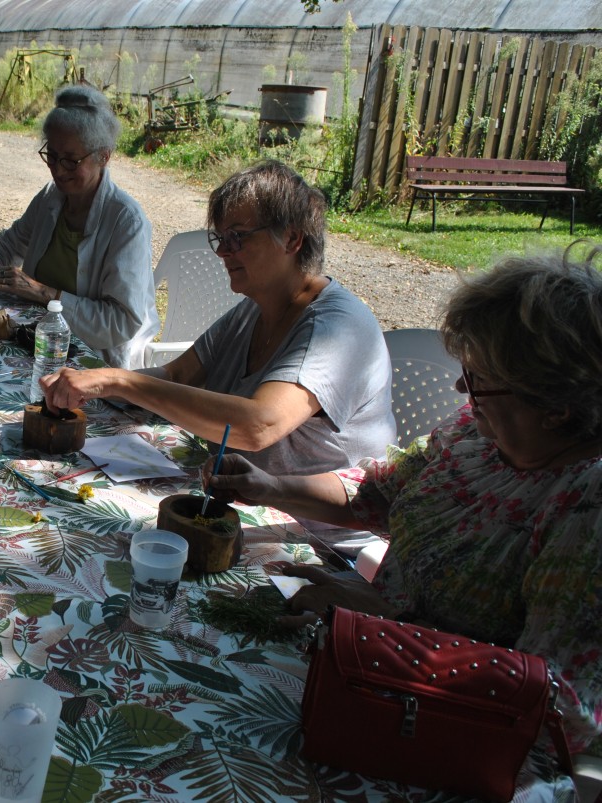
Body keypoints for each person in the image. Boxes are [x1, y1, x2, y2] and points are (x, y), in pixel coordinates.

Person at [206, 247, 602, 751]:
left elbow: (563, 708)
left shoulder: (587, 505)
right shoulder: (476, 434)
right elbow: (373, 498)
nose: (462, 388)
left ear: (557, 409)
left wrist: (389, 626)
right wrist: (268, 486)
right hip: (365, 674)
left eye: (479, 381)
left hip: (442, 743)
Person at [41, 160, 395, 473]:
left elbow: (258, 426)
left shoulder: (336, 327)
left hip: (314, 535)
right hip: (233, 495)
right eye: (220, 238)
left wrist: (118, 381)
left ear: (291, 240)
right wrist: (92, 384)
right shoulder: (254, 308)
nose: (223, 252)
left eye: (238, 238)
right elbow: (178, 374)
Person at [0, 85, 158, 369]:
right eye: (51, 156)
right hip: (38, 345)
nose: (58, 170)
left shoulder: (126, 221)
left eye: (71, 161)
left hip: (95, 362)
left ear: (104, 156)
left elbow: (119, 323)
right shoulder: (52, 198)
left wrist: (42, 292)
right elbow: (7, 245)